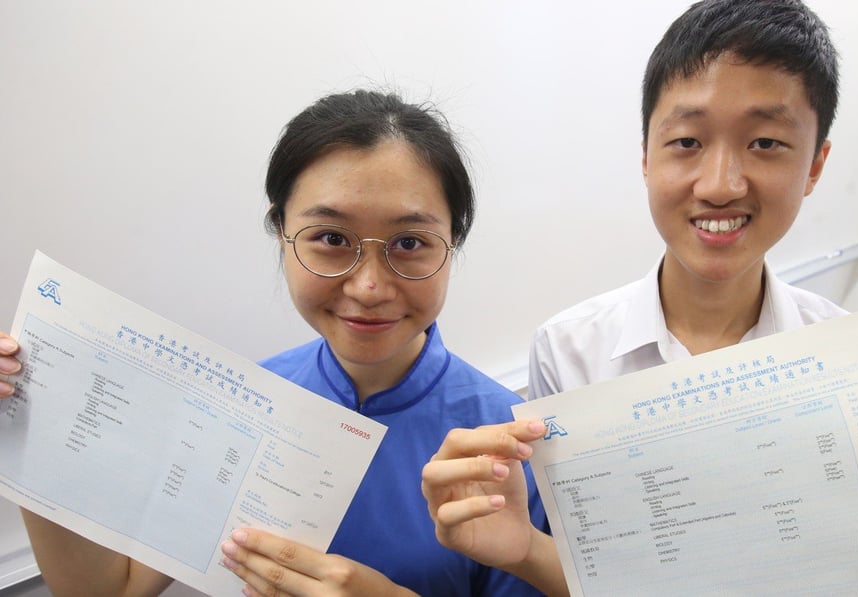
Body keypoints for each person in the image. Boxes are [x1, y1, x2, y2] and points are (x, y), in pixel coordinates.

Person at [421, 1, 858, 595]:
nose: (719, 185)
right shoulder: (570, 347)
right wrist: (527, 550)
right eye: (686, 141)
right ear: (645, 155)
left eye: (765, 143)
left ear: (815, 165)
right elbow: (599, 573)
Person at [0, 90, 549, 596]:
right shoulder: (242, 404)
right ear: (280, 233)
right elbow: (108, 590)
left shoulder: (510, 440)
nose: (369, 287)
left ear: (453, 245)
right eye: (332, 239)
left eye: (409, 242)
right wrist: (30, 415)